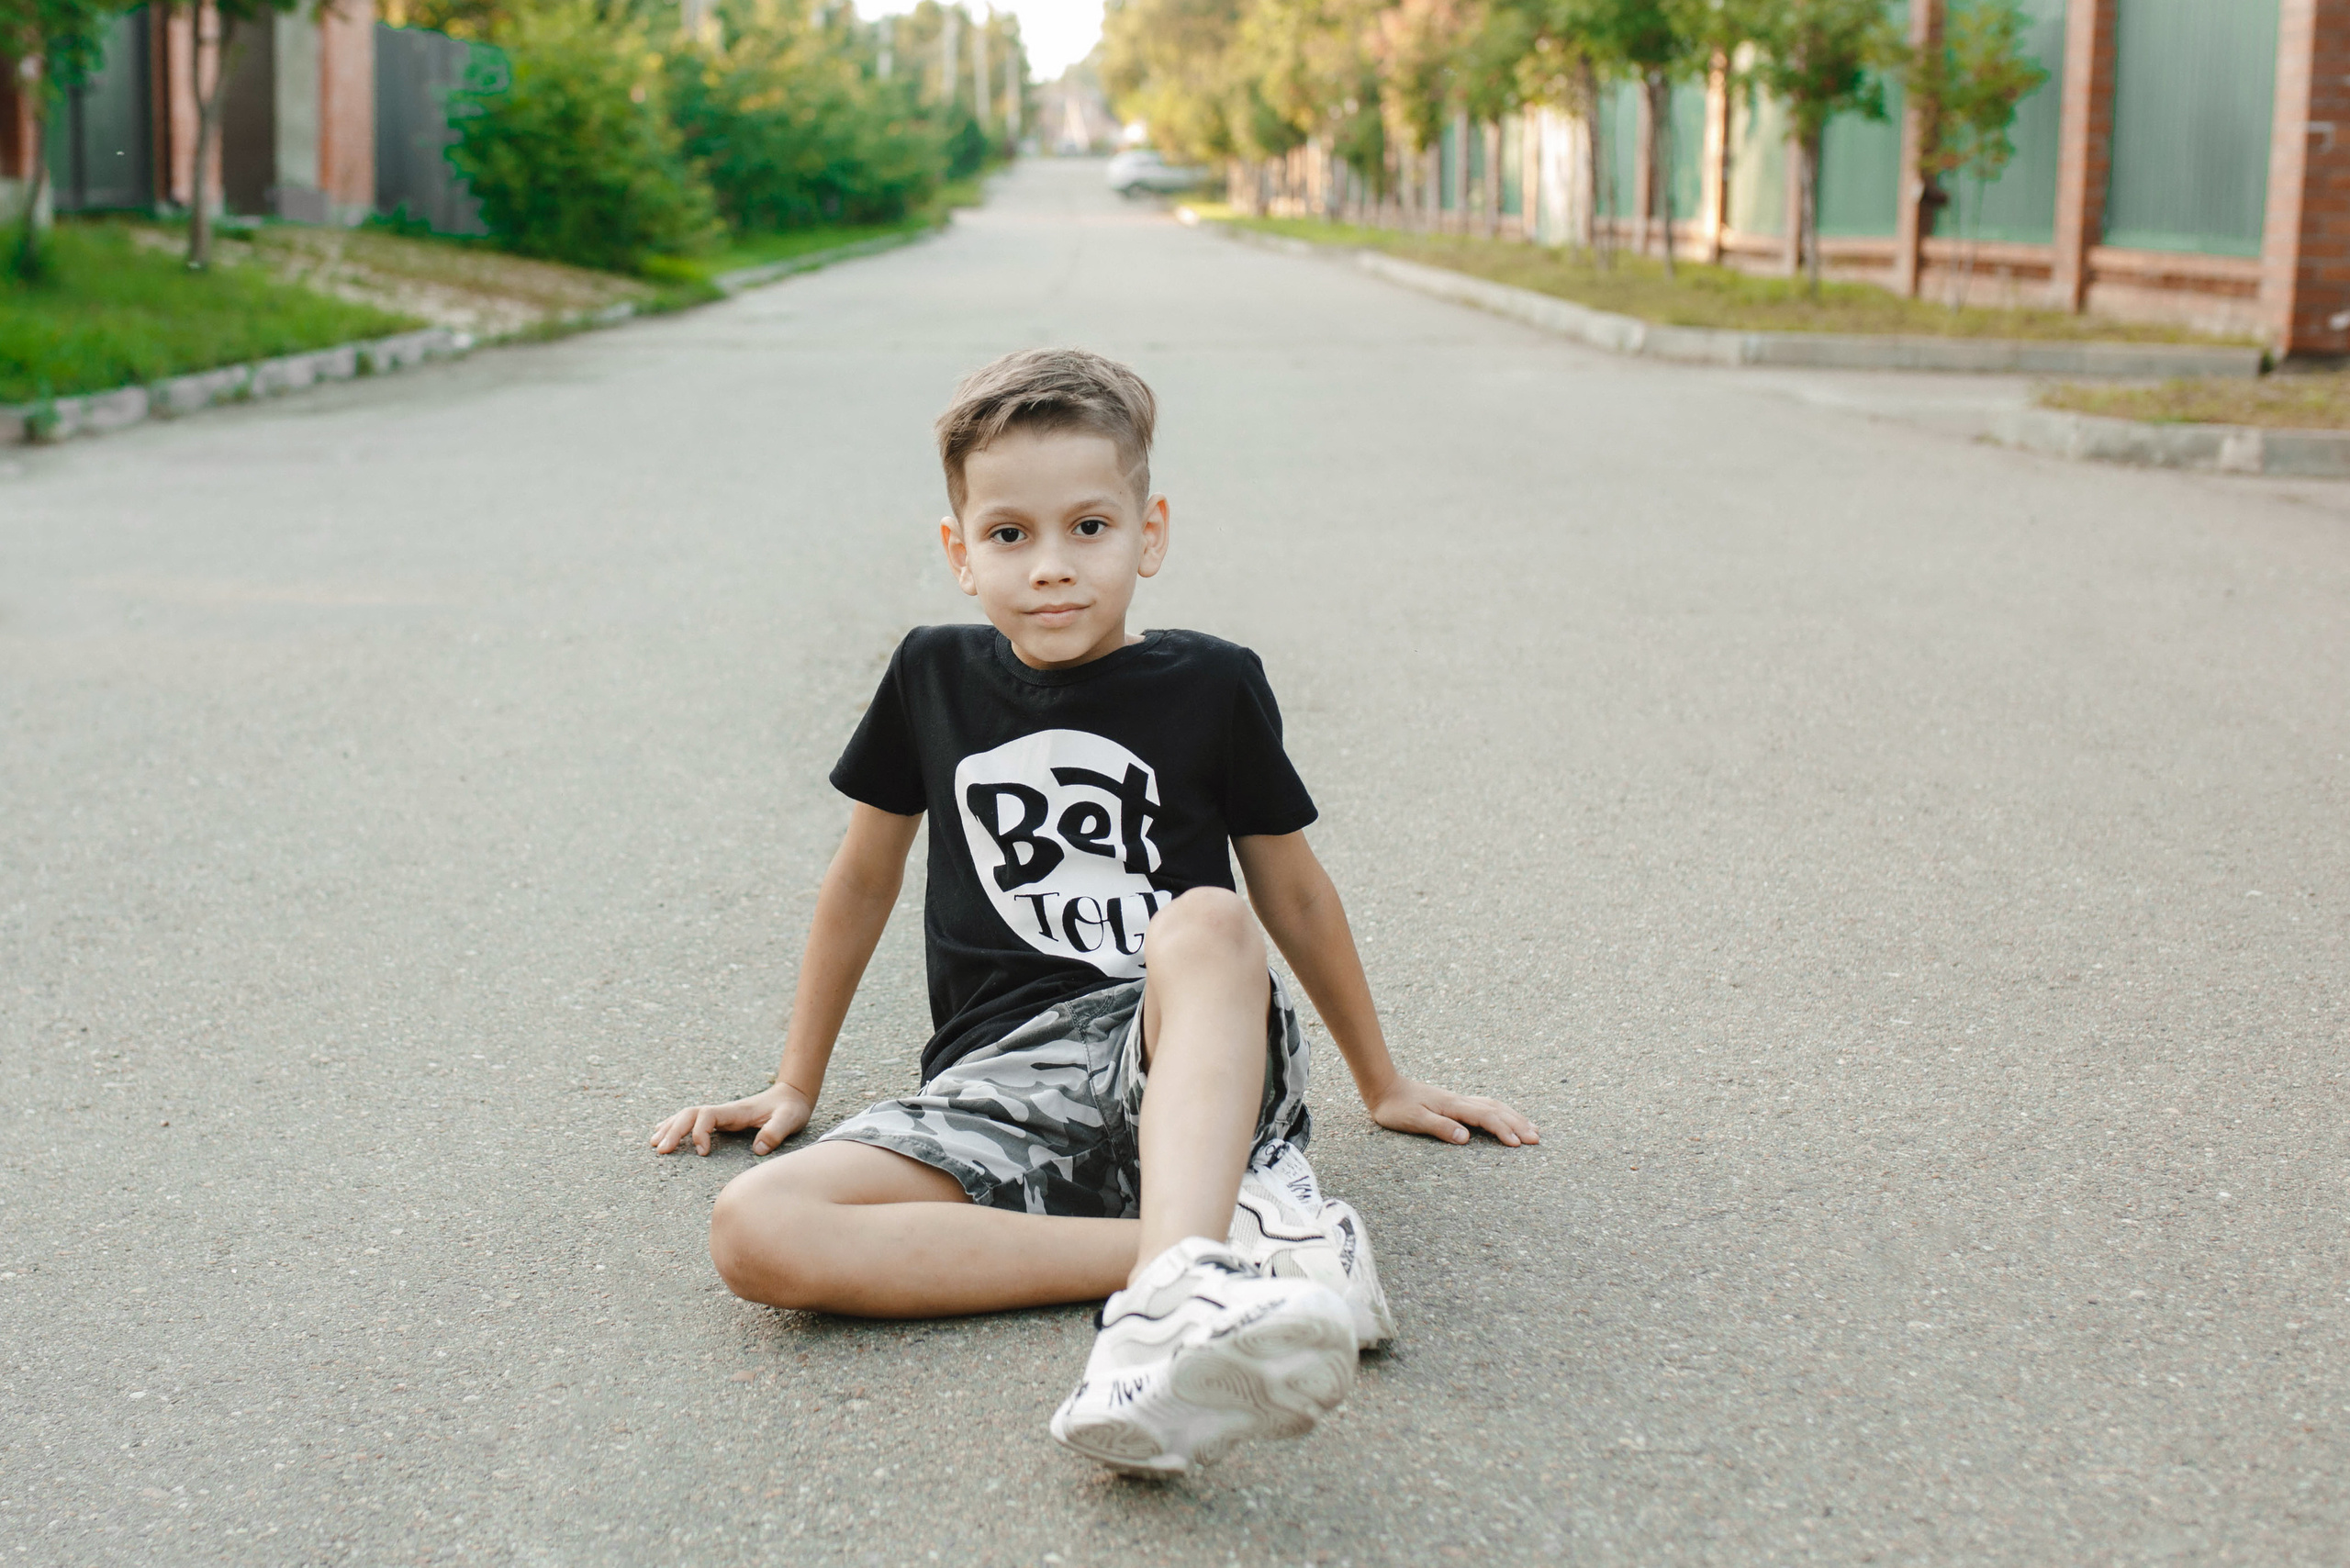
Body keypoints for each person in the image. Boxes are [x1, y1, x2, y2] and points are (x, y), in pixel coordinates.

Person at [651, 347, 1539, 1475]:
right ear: (958, 554)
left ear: (1149, 533)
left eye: (1089, 527)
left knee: (1206, 916)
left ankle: (1166, 1313)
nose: (1051, 567)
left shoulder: (1212, 684)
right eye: (1009, 535)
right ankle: (1215, 1259)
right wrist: (793, 1083)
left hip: (1178, 1049)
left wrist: (1385, 1085)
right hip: (997, 1082)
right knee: (756, 1229)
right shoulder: (931, 674)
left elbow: (1294, 891)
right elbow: (862, 881)